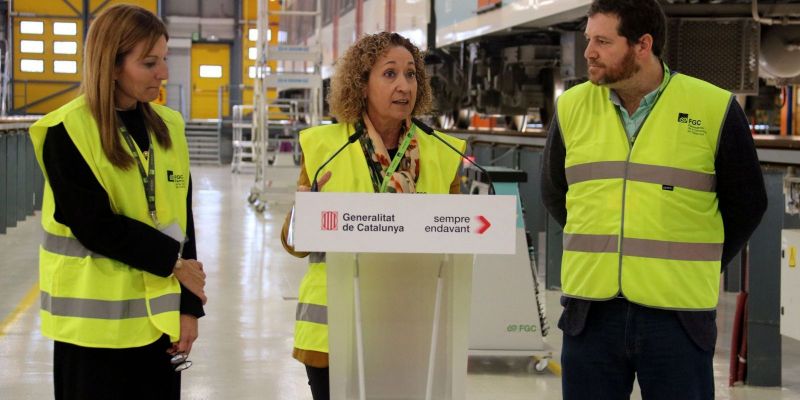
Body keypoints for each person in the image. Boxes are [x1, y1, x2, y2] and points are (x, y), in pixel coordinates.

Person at [541, 1, 767, 399]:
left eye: (603, 41)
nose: (589, 51)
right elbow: (555, 193)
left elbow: (747, 204)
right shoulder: (572, 107)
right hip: (590, 313)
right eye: (588, 39)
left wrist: (699, 259)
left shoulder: (713, 108)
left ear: (642, 45)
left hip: (677, 317)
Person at [29, 5, 207, 400]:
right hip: (91, 336)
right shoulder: (67, 131)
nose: (163, 73)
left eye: (164, 59)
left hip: (158, 327)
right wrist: (174, 264)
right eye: (149, 63)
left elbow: (183, 221)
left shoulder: (170, 127)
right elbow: (94, 225)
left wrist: (190, 308)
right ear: (111, 65)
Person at [280, 32, 465, 400]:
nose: (404, 85)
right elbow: (295, 245)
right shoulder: (324, 147)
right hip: (334, 327)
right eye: (390, 74)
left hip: (411, 326)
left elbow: (457, 243)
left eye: (411, 74)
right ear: (362, 85)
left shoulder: (443, 152)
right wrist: (305, 213)